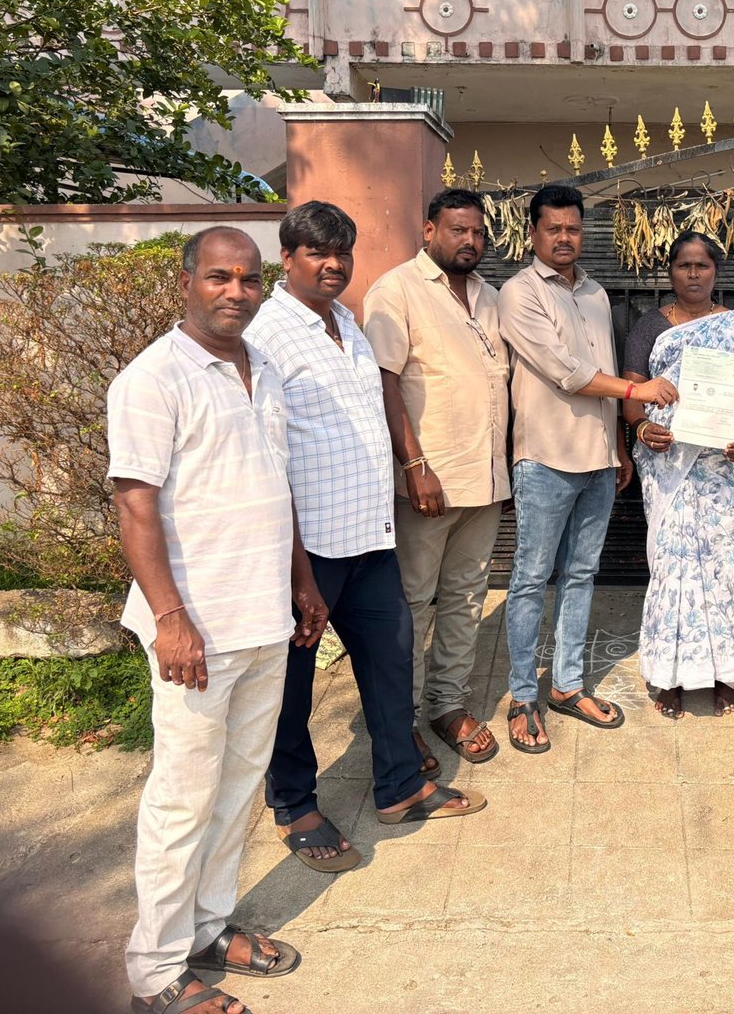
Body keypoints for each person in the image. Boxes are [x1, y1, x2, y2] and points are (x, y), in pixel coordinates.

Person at [111, 227, 320, 1013]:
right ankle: (157, 970)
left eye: (249, 278)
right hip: (195, 631)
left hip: (263, 619)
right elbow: (135, 505)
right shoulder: (152, 378)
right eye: (219, 277)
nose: (237, 291)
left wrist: (302, 581)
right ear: (186, 283)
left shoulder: (264, 368)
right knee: (183, 799)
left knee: (236, 790)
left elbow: (277, 483)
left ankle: (206, 928)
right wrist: (170, 618)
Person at [247, 201, 483, 877]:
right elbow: (266, 457)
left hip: (368, 537)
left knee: (390, 661)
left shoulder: (346, 323)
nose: (333, 264)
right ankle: (294, 806)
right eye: (317, 252)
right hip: (310, 550)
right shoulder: (266, 337)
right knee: (292, 686)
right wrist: (295, 570)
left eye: (342, 252)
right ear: (287, 258)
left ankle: (400, 786)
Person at [497, 183, 678, 752]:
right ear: (533, 233)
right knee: (530, 580)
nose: (564, 237)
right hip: (545, 459)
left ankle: (567, 685)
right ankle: (523, 695)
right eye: (553, 228)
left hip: (599, 459)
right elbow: (567, 372)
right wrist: (638, 390)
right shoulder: (518, 293)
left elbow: (601, 372)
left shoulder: (596, 293)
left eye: (573, 228)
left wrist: (619, 446)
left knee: (580, 575)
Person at [365, 188, 510, 769]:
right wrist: (414, 466)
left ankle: (447, 704)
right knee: (412, 602)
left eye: (477, 232)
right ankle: (400, 722)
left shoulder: (490, 297)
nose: (469, 241)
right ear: (429, 231)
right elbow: (384, 380)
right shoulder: (396, 290)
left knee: (467, 597)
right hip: (428, 482)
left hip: (486, 478)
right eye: (457, 230)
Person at [622, 232, 734, 719]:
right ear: (670, 271)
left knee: (722, 567)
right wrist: (642, 427)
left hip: (724, 470)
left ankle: (720, 674)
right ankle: (668, 675)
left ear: (716, 271)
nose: (693, 274)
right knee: (671, 568)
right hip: (669, 467)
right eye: (684, 265)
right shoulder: (649, 326)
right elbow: (631, 393)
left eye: (702, 265)